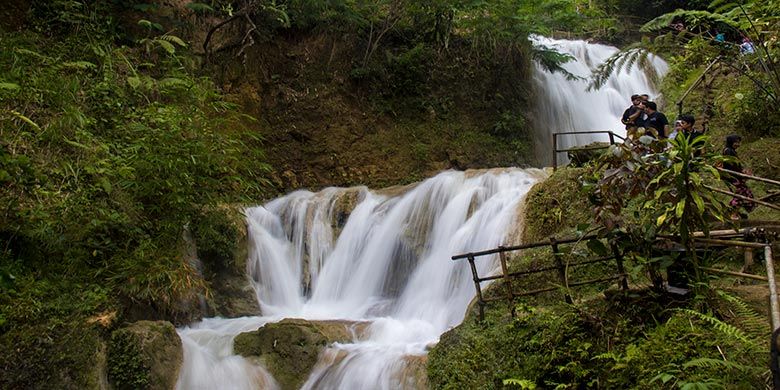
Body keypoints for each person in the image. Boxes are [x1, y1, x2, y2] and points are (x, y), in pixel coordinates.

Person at [722, 134, 755, 218]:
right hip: (732, 177)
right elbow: (731, 165)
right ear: (731, 142)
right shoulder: (728, 151)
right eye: (736, 142)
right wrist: (742, 173)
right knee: (740, 195)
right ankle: (732, 213)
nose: (738, 144)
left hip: (735, 177)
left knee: (744, 194)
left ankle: (734, 213)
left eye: (739, 142)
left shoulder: (731, 150)